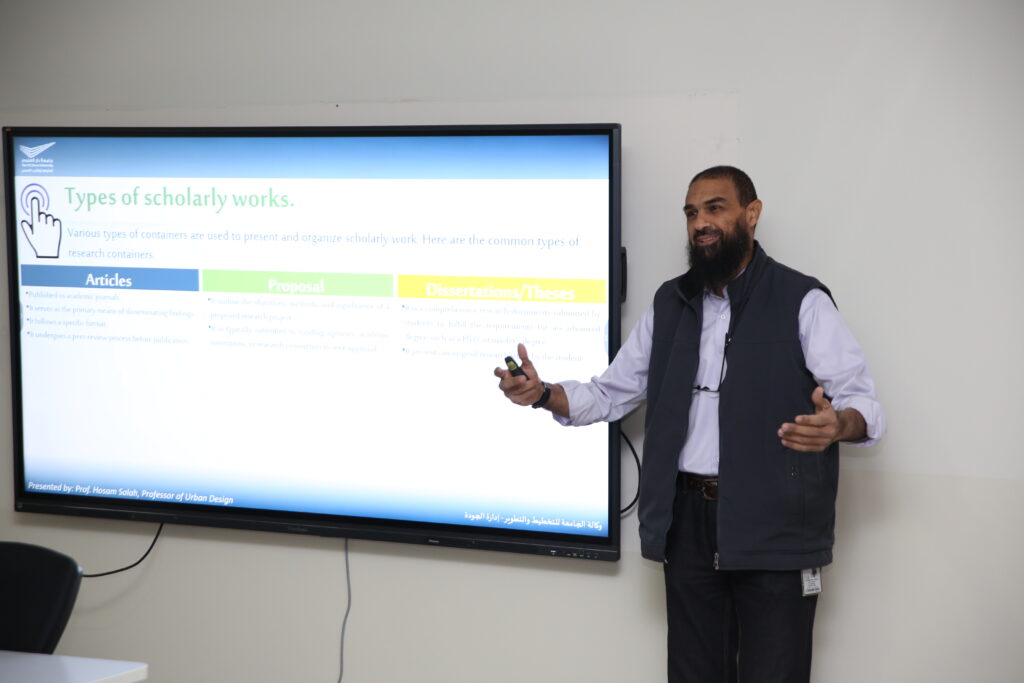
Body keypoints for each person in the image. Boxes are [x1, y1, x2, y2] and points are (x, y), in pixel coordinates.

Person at [494, 166, 885, 683]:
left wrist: (838, 426)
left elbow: (862, 403)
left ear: (752, 214)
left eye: (715, 208)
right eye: (691, 212)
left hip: (775, 524)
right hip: (688, 526)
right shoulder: (670, 302)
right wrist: (544, 394)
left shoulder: (802, 300)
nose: (701, 222)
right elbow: (610, 393)